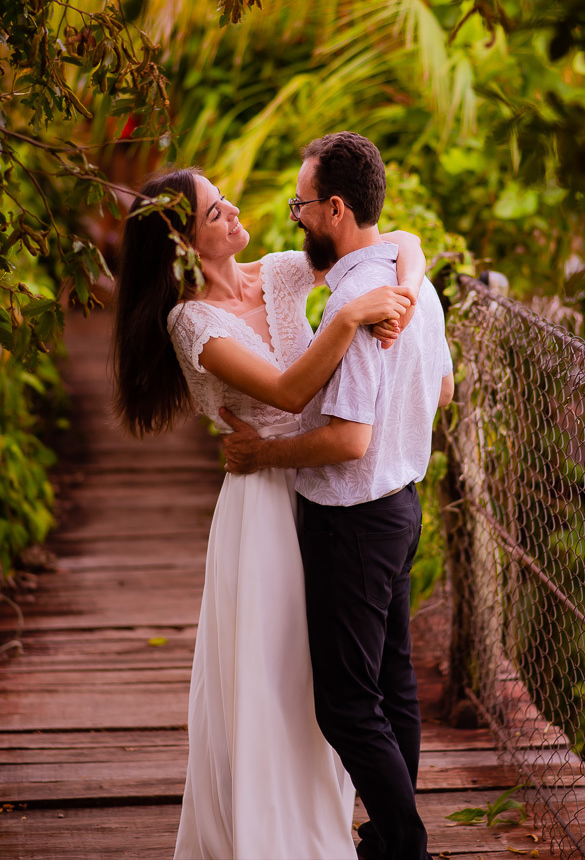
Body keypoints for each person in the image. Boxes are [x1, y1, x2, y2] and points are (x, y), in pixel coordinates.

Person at [112, 165, 428, 860]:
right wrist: (348, 315)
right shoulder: (191, 321)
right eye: (213, 212)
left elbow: (397, 240)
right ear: (184, 246)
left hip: (325, 488)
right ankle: (276, 834)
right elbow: (286, 394)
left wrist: (402, 288)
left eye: (225, 200)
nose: (232, 212)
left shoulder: (282, 272)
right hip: (262, 503)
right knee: (279, 672)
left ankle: (353, 824)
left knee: (346, 677)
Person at [221, 132, 455, 860]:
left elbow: (348, 440)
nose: (295, 217)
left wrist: (264, 452)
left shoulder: (359, 302)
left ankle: (404, 847)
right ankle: (388, 840)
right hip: (399, 509)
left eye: (301, 206)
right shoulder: (405, 283)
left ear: (335, 208)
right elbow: (441, 388)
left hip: (351, 521)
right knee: (390, 689)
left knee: (348, 707)